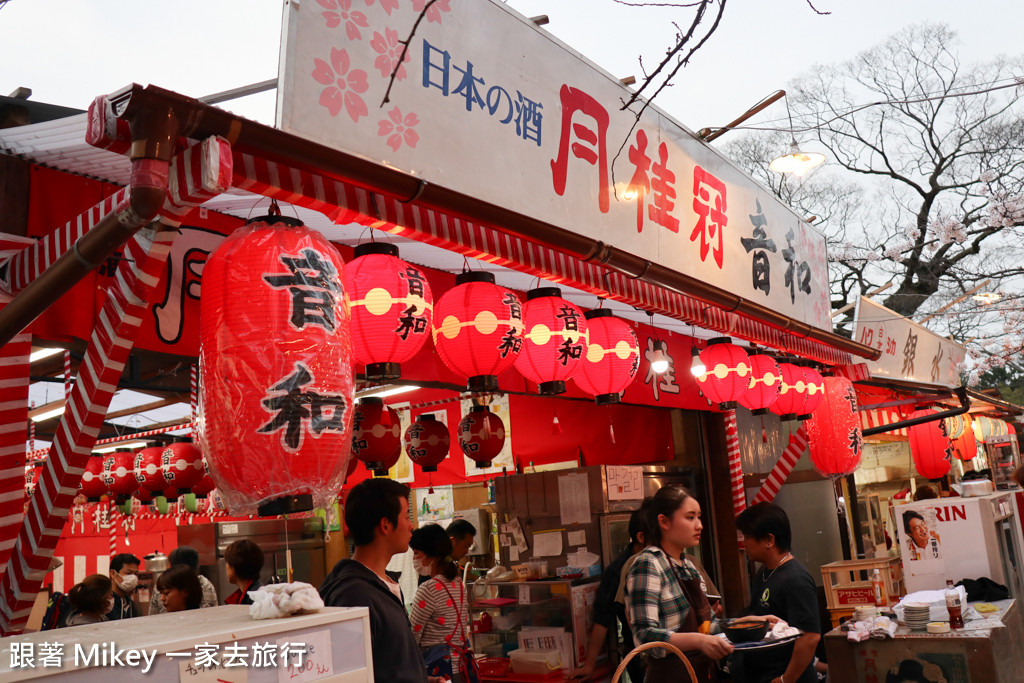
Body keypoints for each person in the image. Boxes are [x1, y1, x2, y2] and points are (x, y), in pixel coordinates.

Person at [320, 478, 440, 683]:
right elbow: (352, 677)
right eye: (406, 516)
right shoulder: (354, 594)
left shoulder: (384, 584)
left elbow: (385, 666)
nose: (411, 525)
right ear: (385, 525)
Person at [626, 486, 734, 683]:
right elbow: (644, 636)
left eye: (699, 517)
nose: (699, 525)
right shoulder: (648, 564)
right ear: (664, 521)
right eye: (690, 517)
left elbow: (710, 626)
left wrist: (753, 624)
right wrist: (699, 641)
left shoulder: (688, 566)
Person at [734, 502, 821, 683]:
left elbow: (810, 637)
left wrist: (785, 679)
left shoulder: (796, 579)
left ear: (769, 540)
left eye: (748, 536)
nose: (743, 543)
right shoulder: (764, 572)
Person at [575, 502, 651, 682]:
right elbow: (602, 618)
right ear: (641, 537)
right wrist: (590, 664)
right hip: (639, 657)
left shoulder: (671, 560)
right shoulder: (619, 570)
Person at [410, 524, 475, 683]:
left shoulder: (428, 589)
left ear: (431, 556)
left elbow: (412, 637)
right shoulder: (458, 583)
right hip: (462, 667)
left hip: (439, 672)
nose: (414, 559)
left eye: (416, 553)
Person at [150, 546, 218, 614]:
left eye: (166, 593)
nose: (162, 598)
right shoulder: (206, 584)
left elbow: (152, 616)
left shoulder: (164, 584)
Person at [419, 518, 478, 586]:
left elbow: (466, 569)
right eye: (465, 546)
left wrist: (479, 573)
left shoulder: (449, 562)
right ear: (452, 541)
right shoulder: (434, 566)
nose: (466, 552)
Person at [224, 539, 264, 605]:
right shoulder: (253, 593)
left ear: (234, 566)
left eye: (227, 562)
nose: (226, 566)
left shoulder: (254, 598)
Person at [106, 553, 140, 620]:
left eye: (135, 574)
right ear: (113, 574)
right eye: (128, 573)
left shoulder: (130, 604)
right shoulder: (105, 603)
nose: (133, 578)